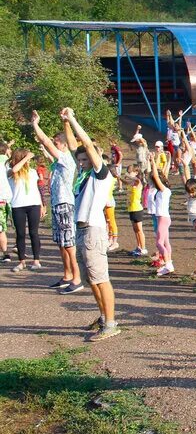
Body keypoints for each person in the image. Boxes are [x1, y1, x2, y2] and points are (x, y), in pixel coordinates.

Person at [63, 108, 119, 342]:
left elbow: (84, 143)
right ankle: (103, 317)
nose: (82, 161)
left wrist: (74, 119)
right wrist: (65, 121)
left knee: (100, 278)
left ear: (94, 158)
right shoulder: (84, 175)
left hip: (94, 230)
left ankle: (112, 323)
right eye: (80, 159)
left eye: (86, 158)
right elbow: (73, 146)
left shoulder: (100, 174)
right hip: (81, 230)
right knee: (91, 279)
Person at [30, 110, 82, 292]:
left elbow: (45, 142)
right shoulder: (60, 160)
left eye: (56, 143)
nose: (54, 144)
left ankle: (77, 278)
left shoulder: (67, 159)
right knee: (61, 243)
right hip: (58, 205)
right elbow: (48, 150)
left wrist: (35, 124)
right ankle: (67, 275)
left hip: (66, 205)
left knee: (69, 244)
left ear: (65, 146)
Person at [7, 149, 43, 272]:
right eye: (26, 158)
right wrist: (26, 157)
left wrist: (42, 205)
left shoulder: (32, 172)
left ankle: (36, 260)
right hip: (18, 205)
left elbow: (36, 189)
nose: (29, 160)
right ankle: (22, 262)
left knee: (34, 232)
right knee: (21, 234)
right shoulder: (11, 172)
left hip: (34, 204)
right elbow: (15, 169)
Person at [150, 156, 174, 276]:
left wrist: (153, 162)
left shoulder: (164, 190)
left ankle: (168, 264)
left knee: (159, 243)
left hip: (163, 218)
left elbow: (155, 175)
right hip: (164, 218)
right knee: (165, 242)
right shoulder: (164, 190)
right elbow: (160, 174)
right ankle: (169, 264)